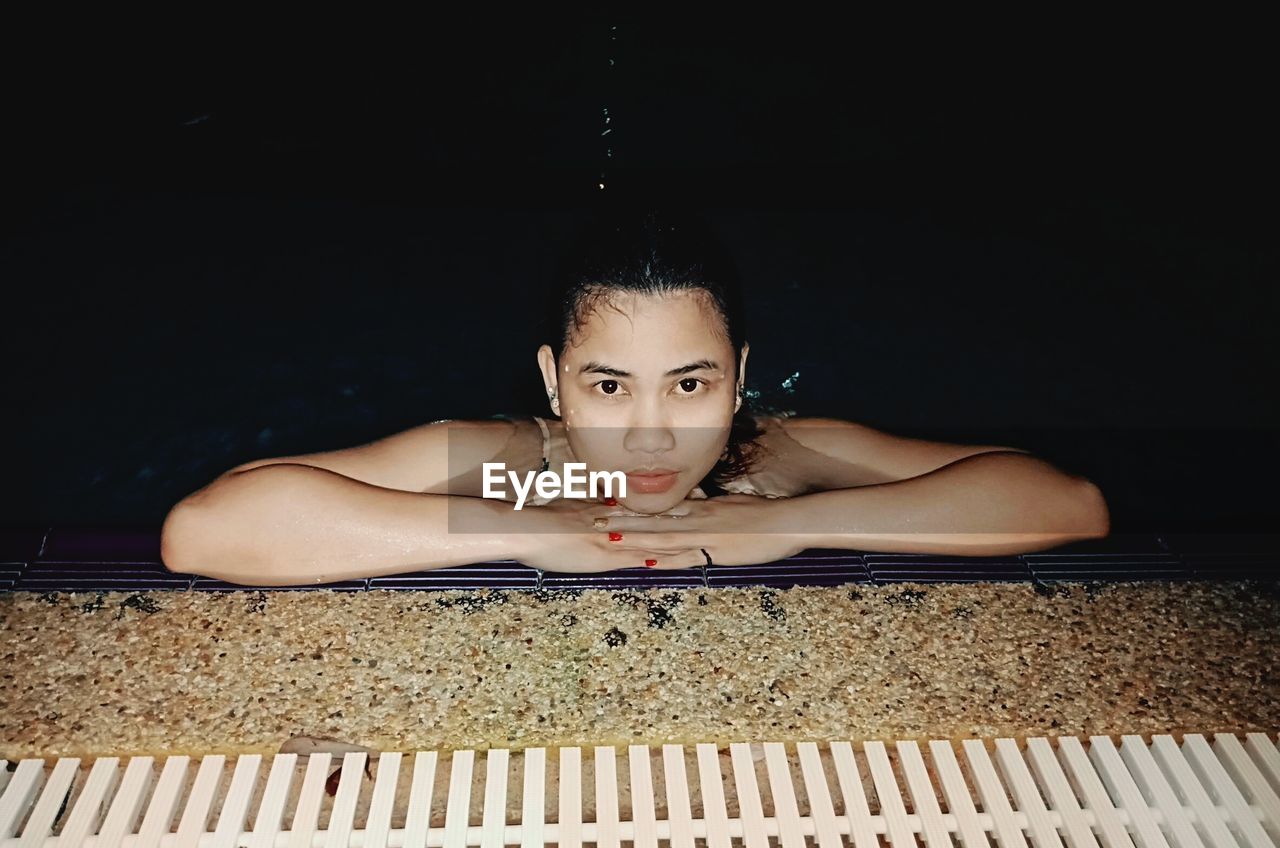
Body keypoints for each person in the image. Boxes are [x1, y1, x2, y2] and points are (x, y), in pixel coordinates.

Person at [160, 209, 1109, 586]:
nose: (652, 435)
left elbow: (1066, 502)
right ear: (551, 381)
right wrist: (519, 530)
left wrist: (793, 523)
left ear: (739, 374)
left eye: (691, 384)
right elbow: (208, 527)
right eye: (608, 386)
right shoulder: (512, 466)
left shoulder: (775, 456)